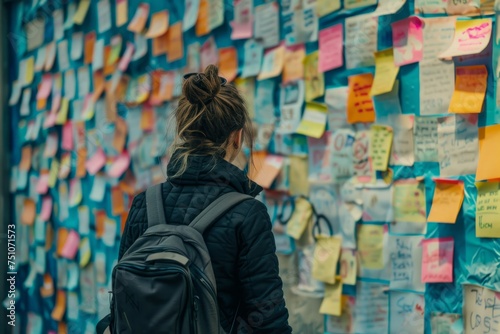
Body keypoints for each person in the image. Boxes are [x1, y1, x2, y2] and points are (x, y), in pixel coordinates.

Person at [110, 65, 292, 333]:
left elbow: (121, 305)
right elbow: (267, 318)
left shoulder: (143, 204)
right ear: (237, 136)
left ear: (184, 131)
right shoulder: (247, 213)